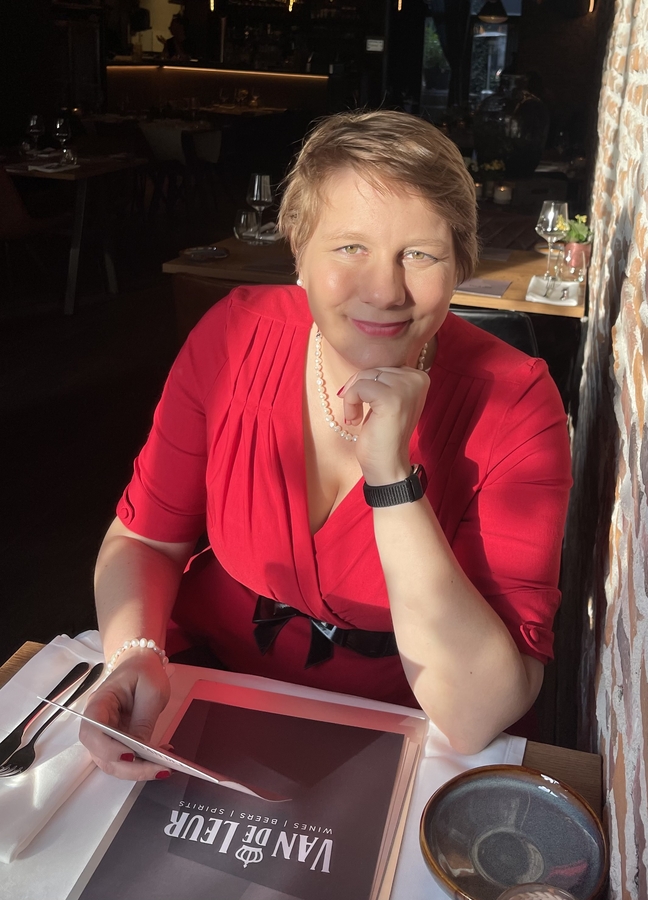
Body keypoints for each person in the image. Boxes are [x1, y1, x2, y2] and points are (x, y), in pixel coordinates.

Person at [80, 110, 572, 780]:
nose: (385, 290)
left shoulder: (517, 403)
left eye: (420, 254)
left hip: (411, 735)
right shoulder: (234, 337)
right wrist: (132, 652)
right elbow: (144, 539)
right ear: (299, 254)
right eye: (349, 248)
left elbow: (476, 713)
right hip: (204, 684)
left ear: (460, 263)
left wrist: (392, 480)